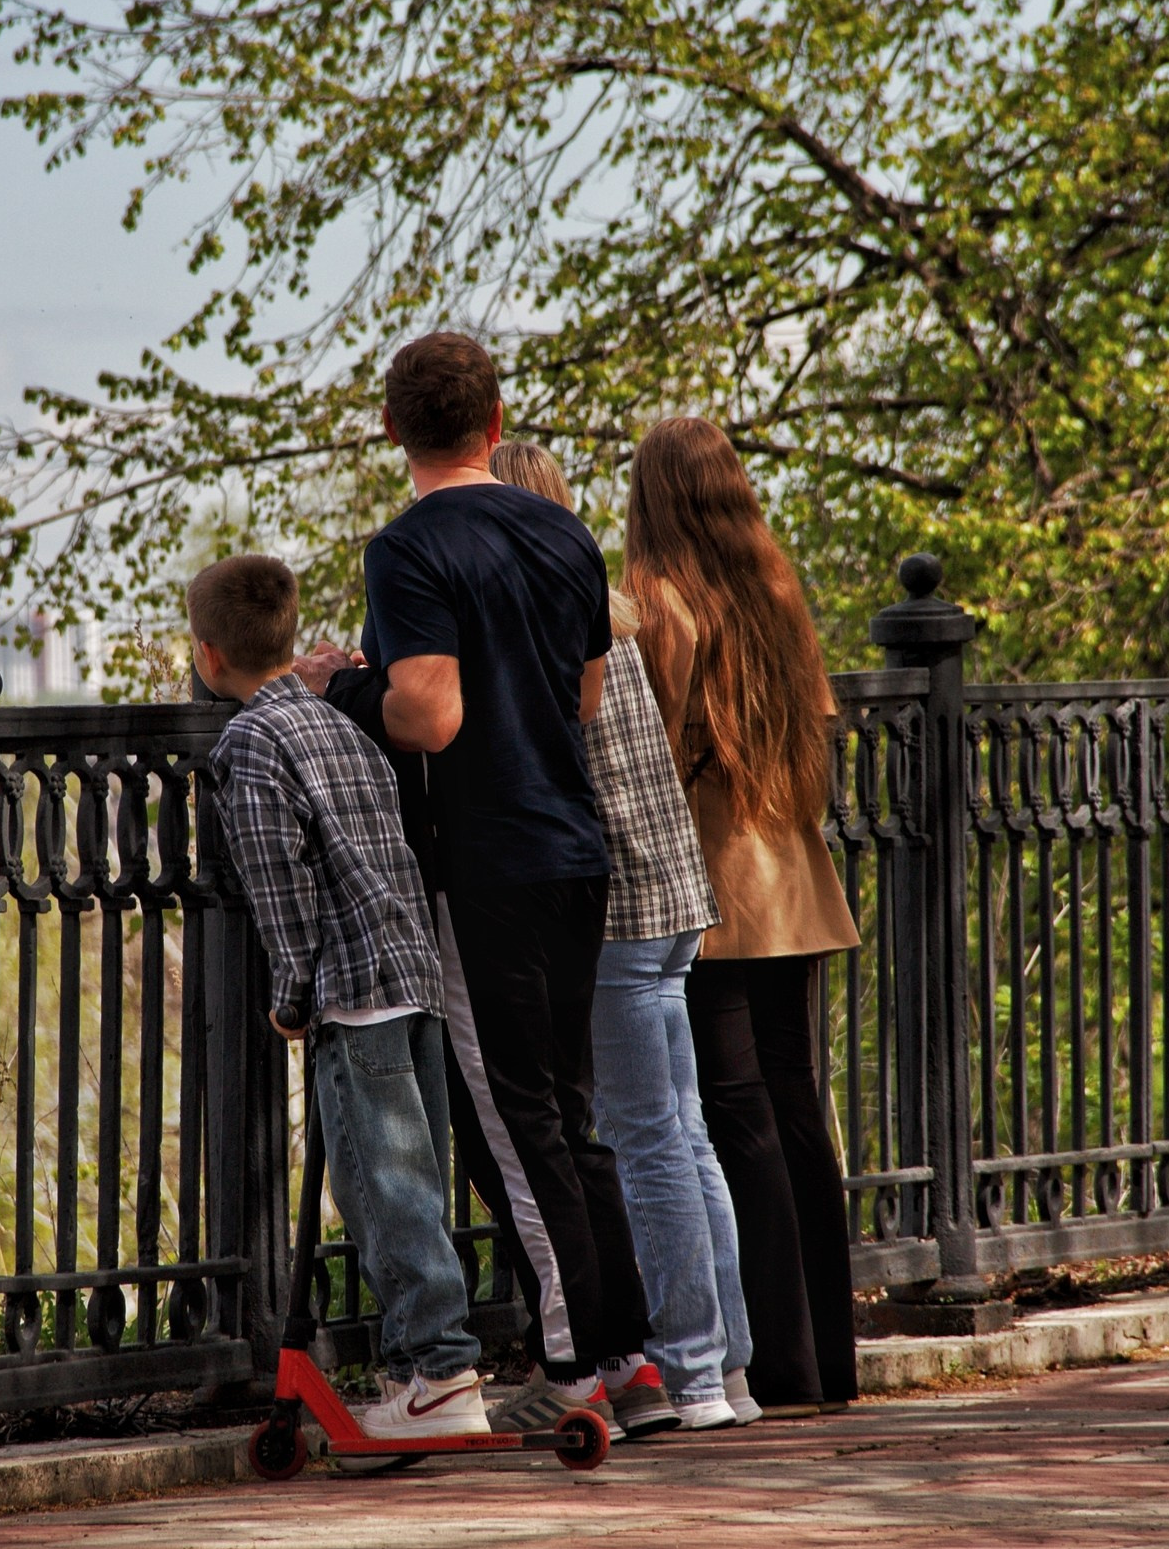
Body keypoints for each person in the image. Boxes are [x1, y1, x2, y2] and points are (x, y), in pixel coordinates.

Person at [300, 332, 656, 1438]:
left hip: (483, 861)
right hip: (571, 847)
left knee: (513, 1122)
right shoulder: (564, 532)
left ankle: (573, 1366)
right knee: (573, 1117)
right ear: (497, 425)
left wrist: (340, 691)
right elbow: (588, 698)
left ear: (391, 430)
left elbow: (432, 713)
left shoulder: (407, 550)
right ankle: (631, 1358)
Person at [488, 441, 756, 1431]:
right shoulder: (606, 605)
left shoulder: (543, 617)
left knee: (646, 1139)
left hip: (619, 913)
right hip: (675, 898)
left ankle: (687, 1374)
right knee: (682, 1132)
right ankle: (729, 1363)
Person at [191, 553, 489, 1439]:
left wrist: (290, 996)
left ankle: (438, 1370)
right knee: (420, 1180)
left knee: (382, 1187)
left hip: (352, 991)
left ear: (209, 658)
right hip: (412, 969)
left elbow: (282, 891)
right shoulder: (339, 726)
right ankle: (429, 1363)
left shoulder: (249, 745)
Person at [625, 416, 862, 1413]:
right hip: (792, 877)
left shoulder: (658, 604)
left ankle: (772, 1361)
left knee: (733, 1116)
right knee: (797, 1110)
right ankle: (827, 1361)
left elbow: (647, 749)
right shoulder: (776, 589)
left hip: (712, 884)